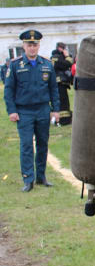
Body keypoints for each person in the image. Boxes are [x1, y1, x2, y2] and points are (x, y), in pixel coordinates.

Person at [4, 30, 60, 192]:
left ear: (38, 46)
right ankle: (28, 179)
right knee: (27, 145)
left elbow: (53, 89)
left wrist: (55, 110)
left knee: (43, 144)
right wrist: (12, 111)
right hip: (24, 112)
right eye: (29, 45)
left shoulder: (47, 64)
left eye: (35, 45)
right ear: (24, 46)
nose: (32, 48)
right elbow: (9, 91)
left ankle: (41, 176)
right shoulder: (15, 65)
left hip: (43, 109)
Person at [51, 42, 73, 125]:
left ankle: (64, 119)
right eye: (64, 48)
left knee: (63, 102)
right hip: (59, 83)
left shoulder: (56, 56)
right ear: (60, 48)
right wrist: (67, 56)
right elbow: (68, 63)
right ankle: (63, 120)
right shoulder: (56, 57)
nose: (65, 50)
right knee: (63, 102)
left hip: (61, 83)